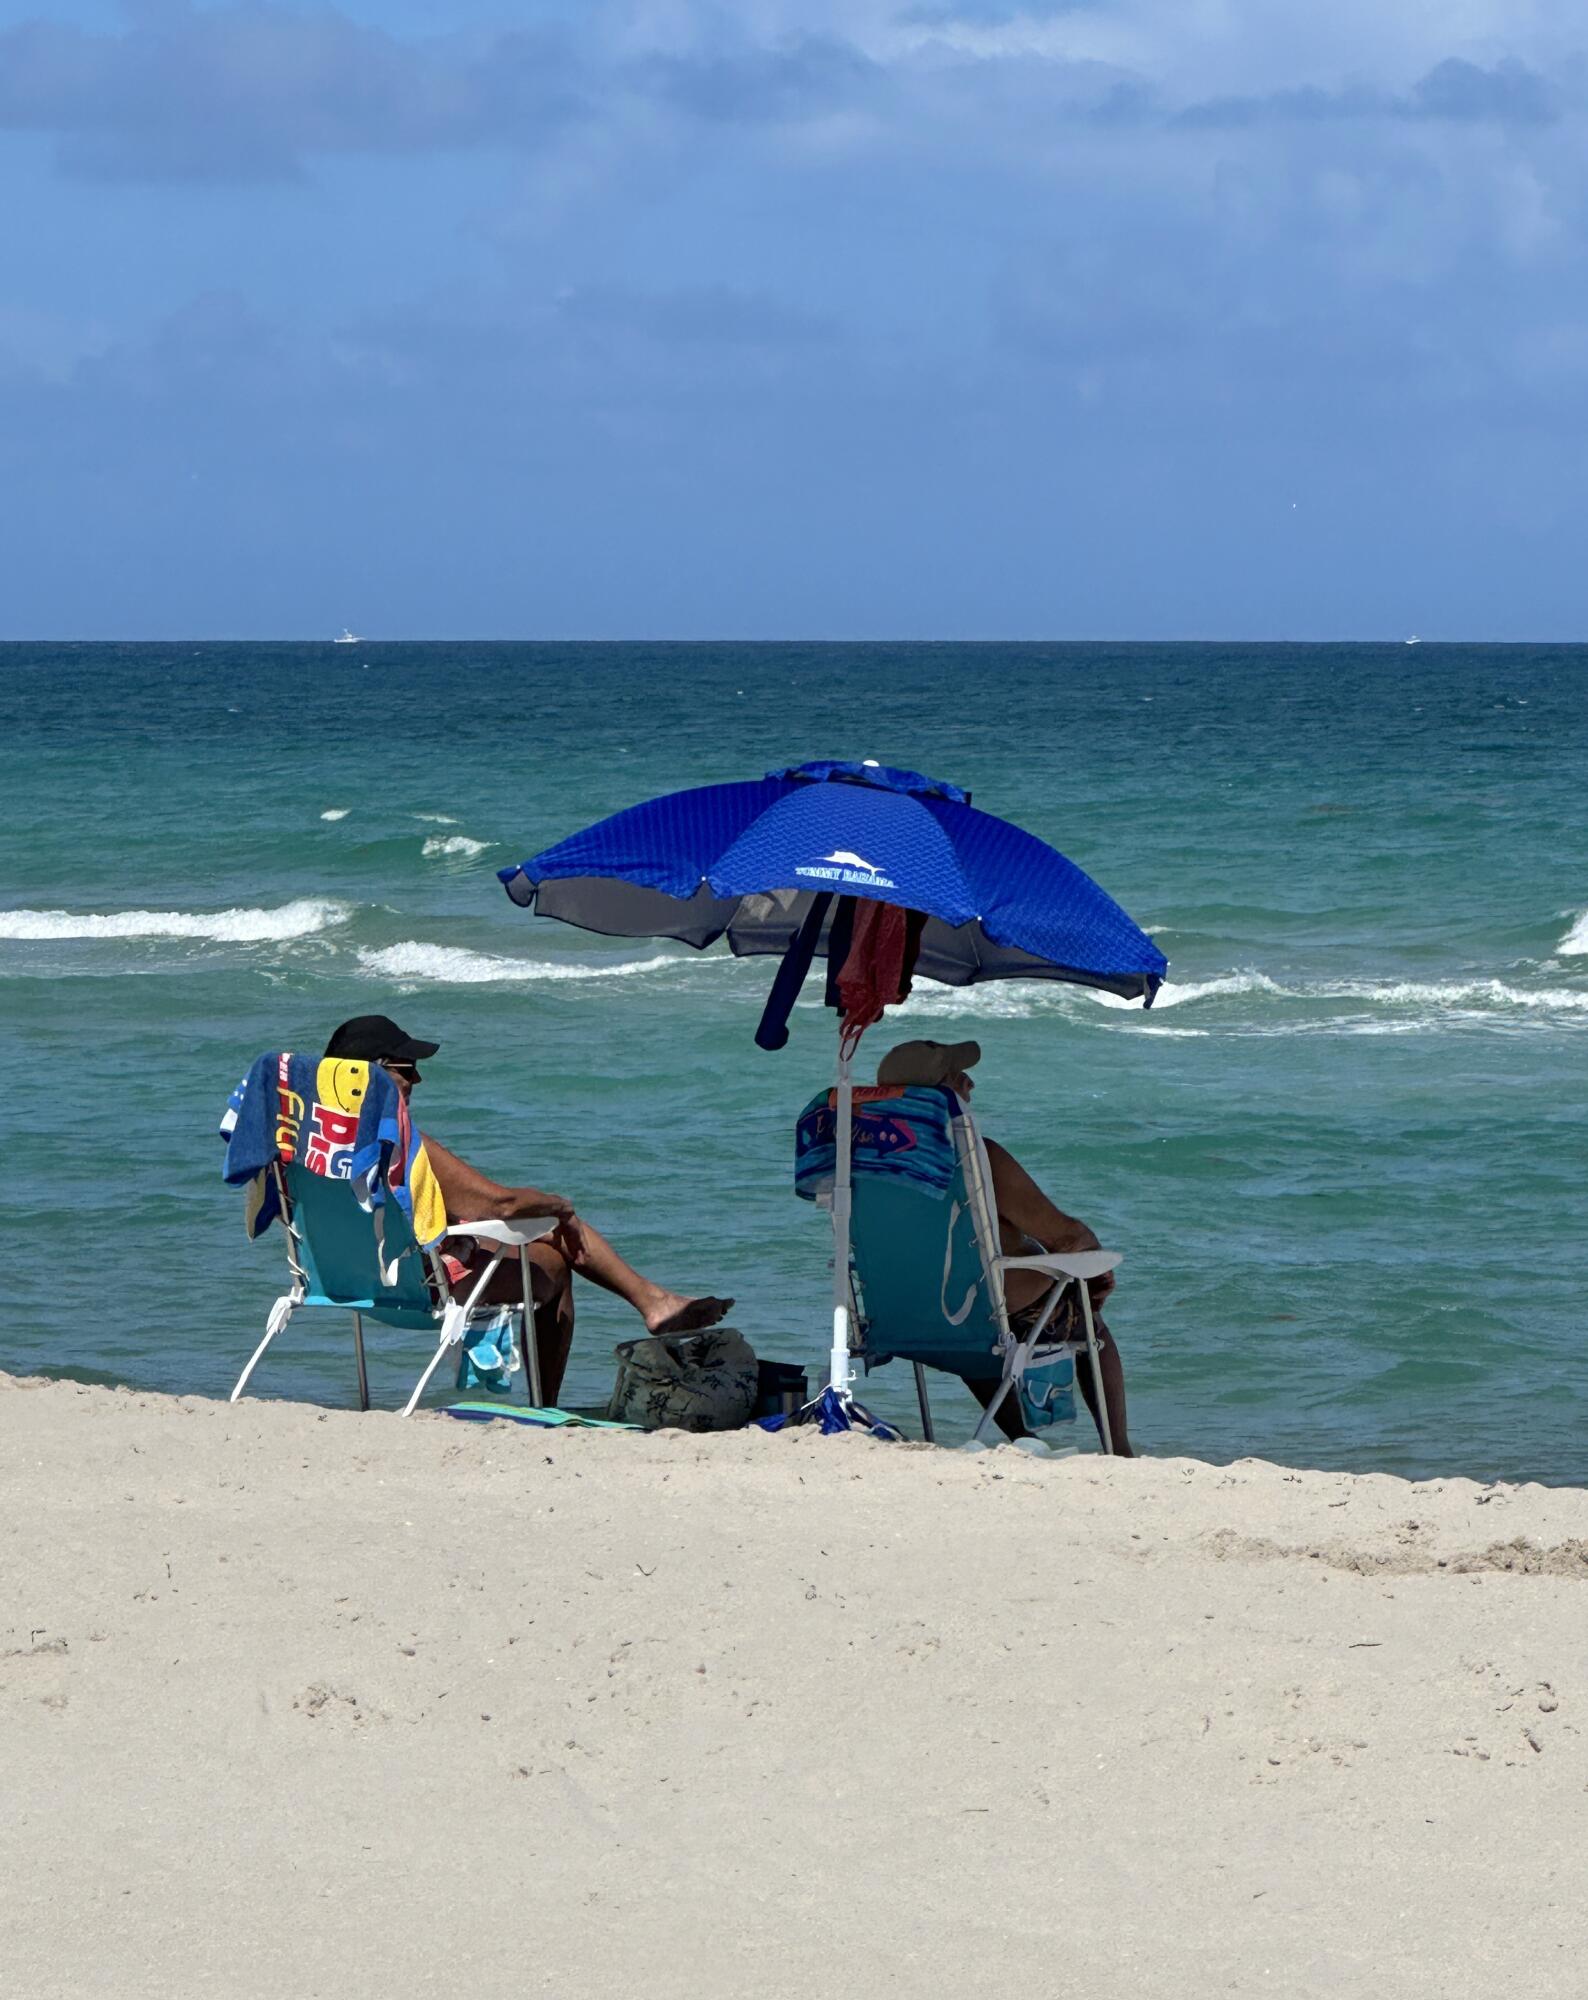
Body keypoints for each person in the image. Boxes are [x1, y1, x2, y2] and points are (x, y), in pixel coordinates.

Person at [324, 1015, 732, 1404]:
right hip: (410, 1288)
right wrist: (562, 1208)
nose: (417, 1079)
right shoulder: (407, 1147)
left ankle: (653, 1300)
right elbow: (500, 1203)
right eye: (406, 1069)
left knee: (545, 1232)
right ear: (371, 1073)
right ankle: (546, 1404)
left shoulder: (305, 1147)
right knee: (553, 1265)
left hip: (340, 1281)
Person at [875, 1038, 1134, 1455]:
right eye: (957, 1077)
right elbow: (1066, 1235)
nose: (970, 1083)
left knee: (970, 1327)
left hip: (907, 1310)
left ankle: (1024, 1439)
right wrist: (1096, 1266)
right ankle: (1119, 1449)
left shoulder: (868, 1165)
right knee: (1086, 1319)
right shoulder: (978, 1158)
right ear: (937, 1095)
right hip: (978, 1306)